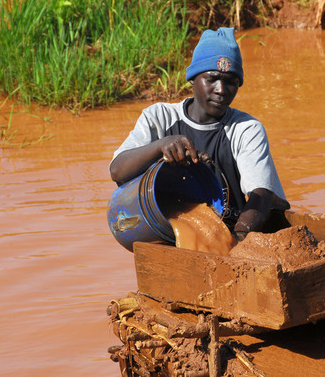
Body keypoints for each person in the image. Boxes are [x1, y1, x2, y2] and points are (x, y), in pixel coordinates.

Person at [109, 27, 289, 242]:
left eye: (231, 81)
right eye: (211, 79)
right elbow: (118, 171)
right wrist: (160, 146)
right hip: (168, 233)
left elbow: (261, 195)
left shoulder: (245, 128)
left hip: (232, 230)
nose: (221, 89)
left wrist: (235, 240)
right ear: (193, 78)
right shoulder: (160, 118)